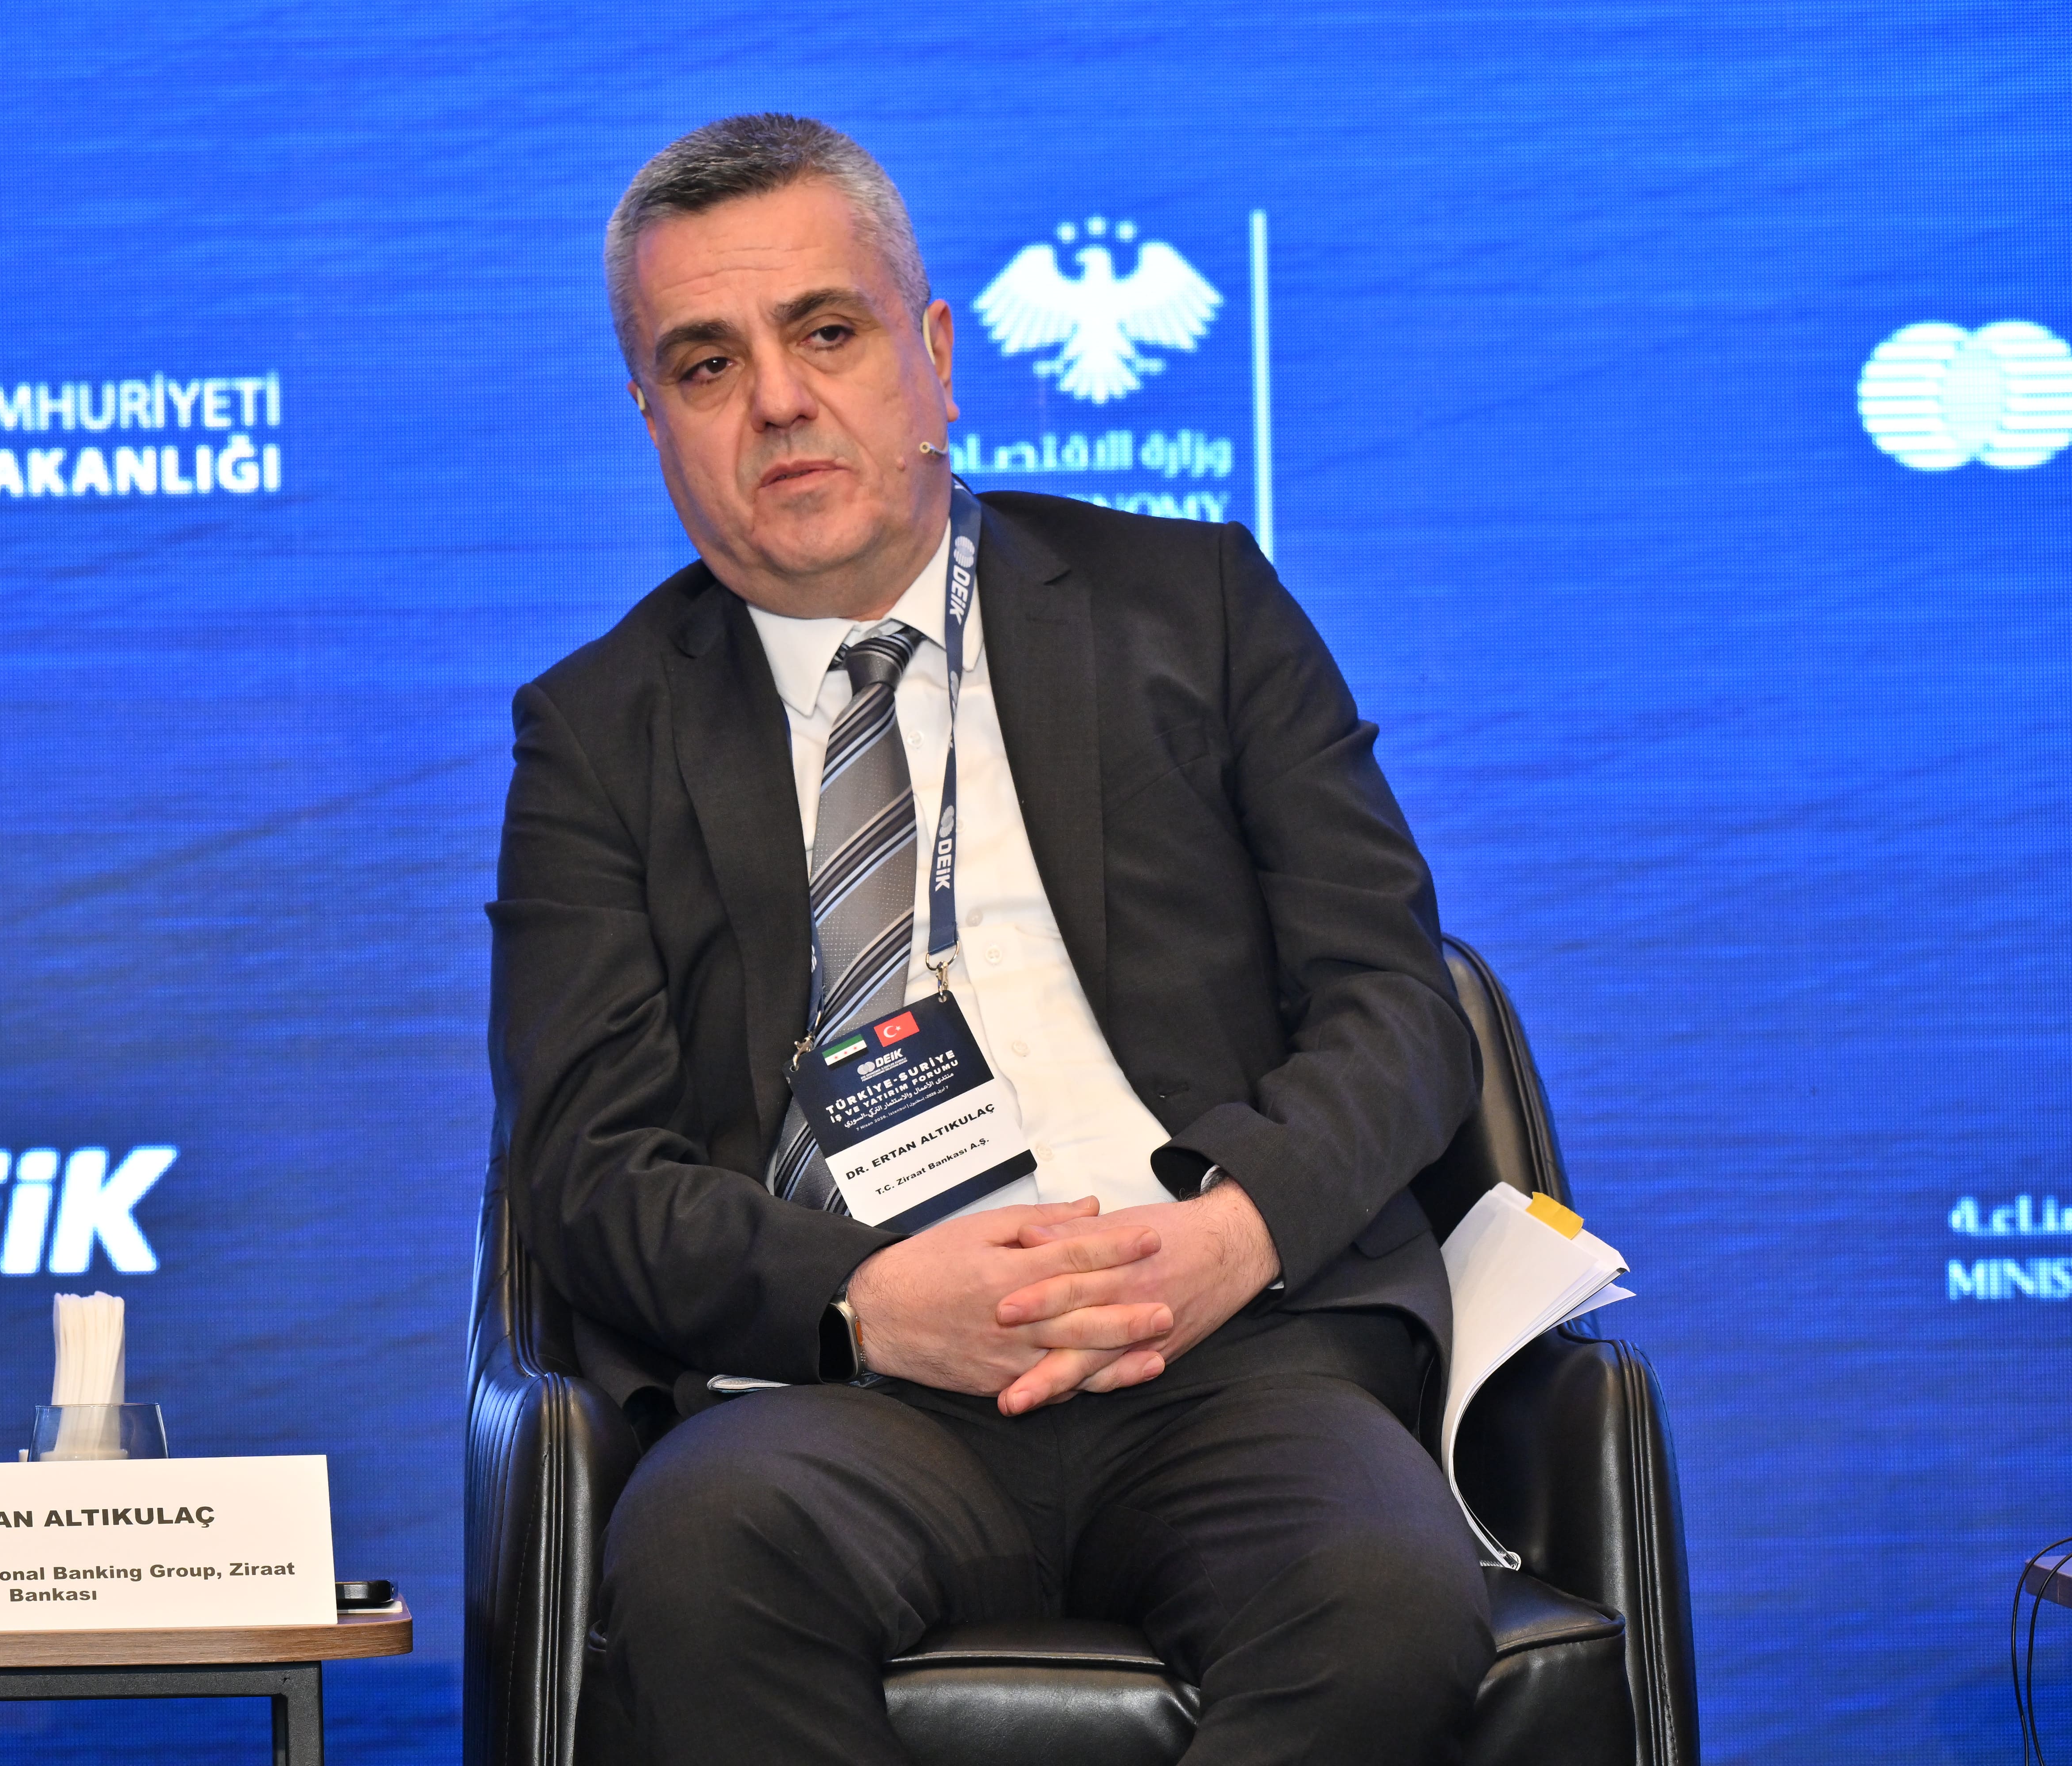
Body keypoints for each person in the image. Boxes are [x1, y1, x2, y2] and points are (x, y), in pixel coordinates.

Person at [487, 113, 1491, 1766]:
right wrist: (868, 1304)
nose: (778, 400)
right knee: (701, 1562)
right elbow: (589, 1170)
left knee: (1384, 1597)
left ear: (936, 355)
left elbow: (1396, 1005)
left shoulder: (1196, 606)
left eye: (827, 331)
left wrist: (1232, 1235)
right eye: (707, 363)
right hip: (839, 1398)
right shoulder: (597, 736)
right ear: (653, 419)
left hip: (1225, 1351)